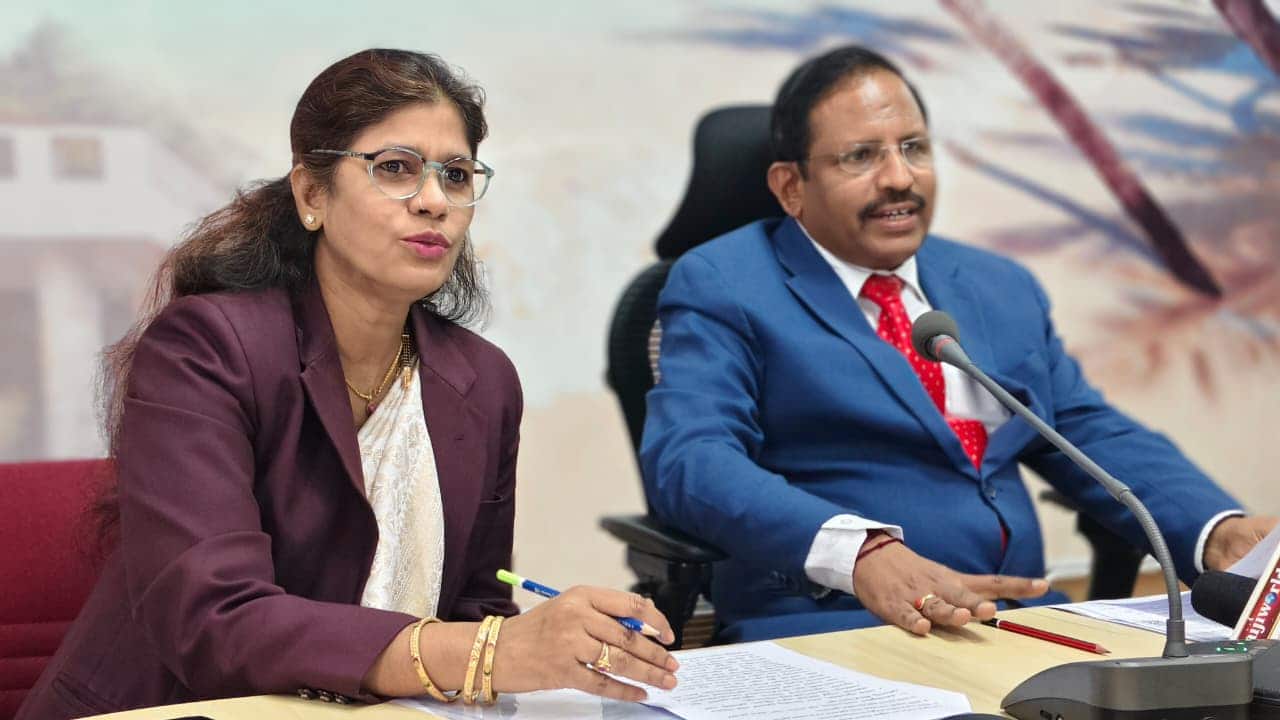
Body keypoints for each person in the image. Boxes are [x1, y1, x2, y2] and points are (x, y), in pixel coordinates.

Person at [18, 49, 677, 720]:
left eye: (456, 175)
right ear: (312, 195)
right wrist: (492, 650)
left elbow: (476, 608)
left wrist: (546, 647)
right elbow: (216, 619)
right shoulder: (206, 347)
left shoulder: (483, 379)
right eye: (395, 168)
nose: (434, 201)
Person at [640, 44, 1277, 643]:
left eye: (913, 148)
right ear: (791, 187)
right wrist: (860, 553)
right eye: (860, 157)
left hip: (1018, 622)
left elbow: (1083, 429)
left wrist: (1215, 532)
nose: (899, 177)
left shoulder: (999, 286)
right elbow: (691, 458)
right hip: (839, 625)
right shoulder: (724, 284)